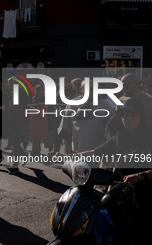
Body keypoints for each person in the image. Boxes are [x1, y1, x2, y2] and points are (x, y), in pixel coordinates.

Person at [57, 98, 152, 245]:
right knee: (103, 204)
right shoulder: (120, 137)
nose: (128, 118)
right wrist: (69, 157)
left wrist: (140, 176)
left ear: (141, 115)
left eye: (132, 114)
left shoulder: (149, 135)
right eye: (124, 115)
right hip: (127, 187)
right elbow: (96, 152)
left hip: (147, 189)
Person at [58, 79, 113, 153]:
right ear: (80, 89)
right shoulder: (71, 105)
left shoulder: (104, 105)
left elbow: (112, 127)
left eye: (93, 88)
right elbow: (64, 126)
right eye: (87, 88)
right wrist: (65, 144)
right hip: (77, 151)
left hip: (97, 151)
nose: (91, 91)